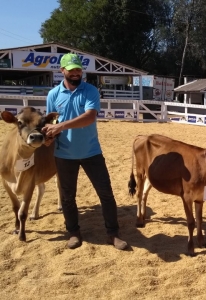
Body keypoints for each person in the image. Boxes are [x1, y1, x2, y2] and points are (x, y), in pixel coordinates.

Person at [42, 53, 128, 250]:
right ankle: (73, 232)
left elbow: (89, 117)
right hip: (64, 154)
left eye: (78, 69)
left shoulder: (90, 91)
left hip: (91, 152)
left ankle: (113, 233)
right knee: (67, 197)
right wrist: (48, 137)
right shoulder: (53, 95)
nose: (75, 73)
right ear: (62, 70)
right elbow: (51, 123)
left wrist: (61, 127)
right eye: (71, 69)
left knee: (106, 194)